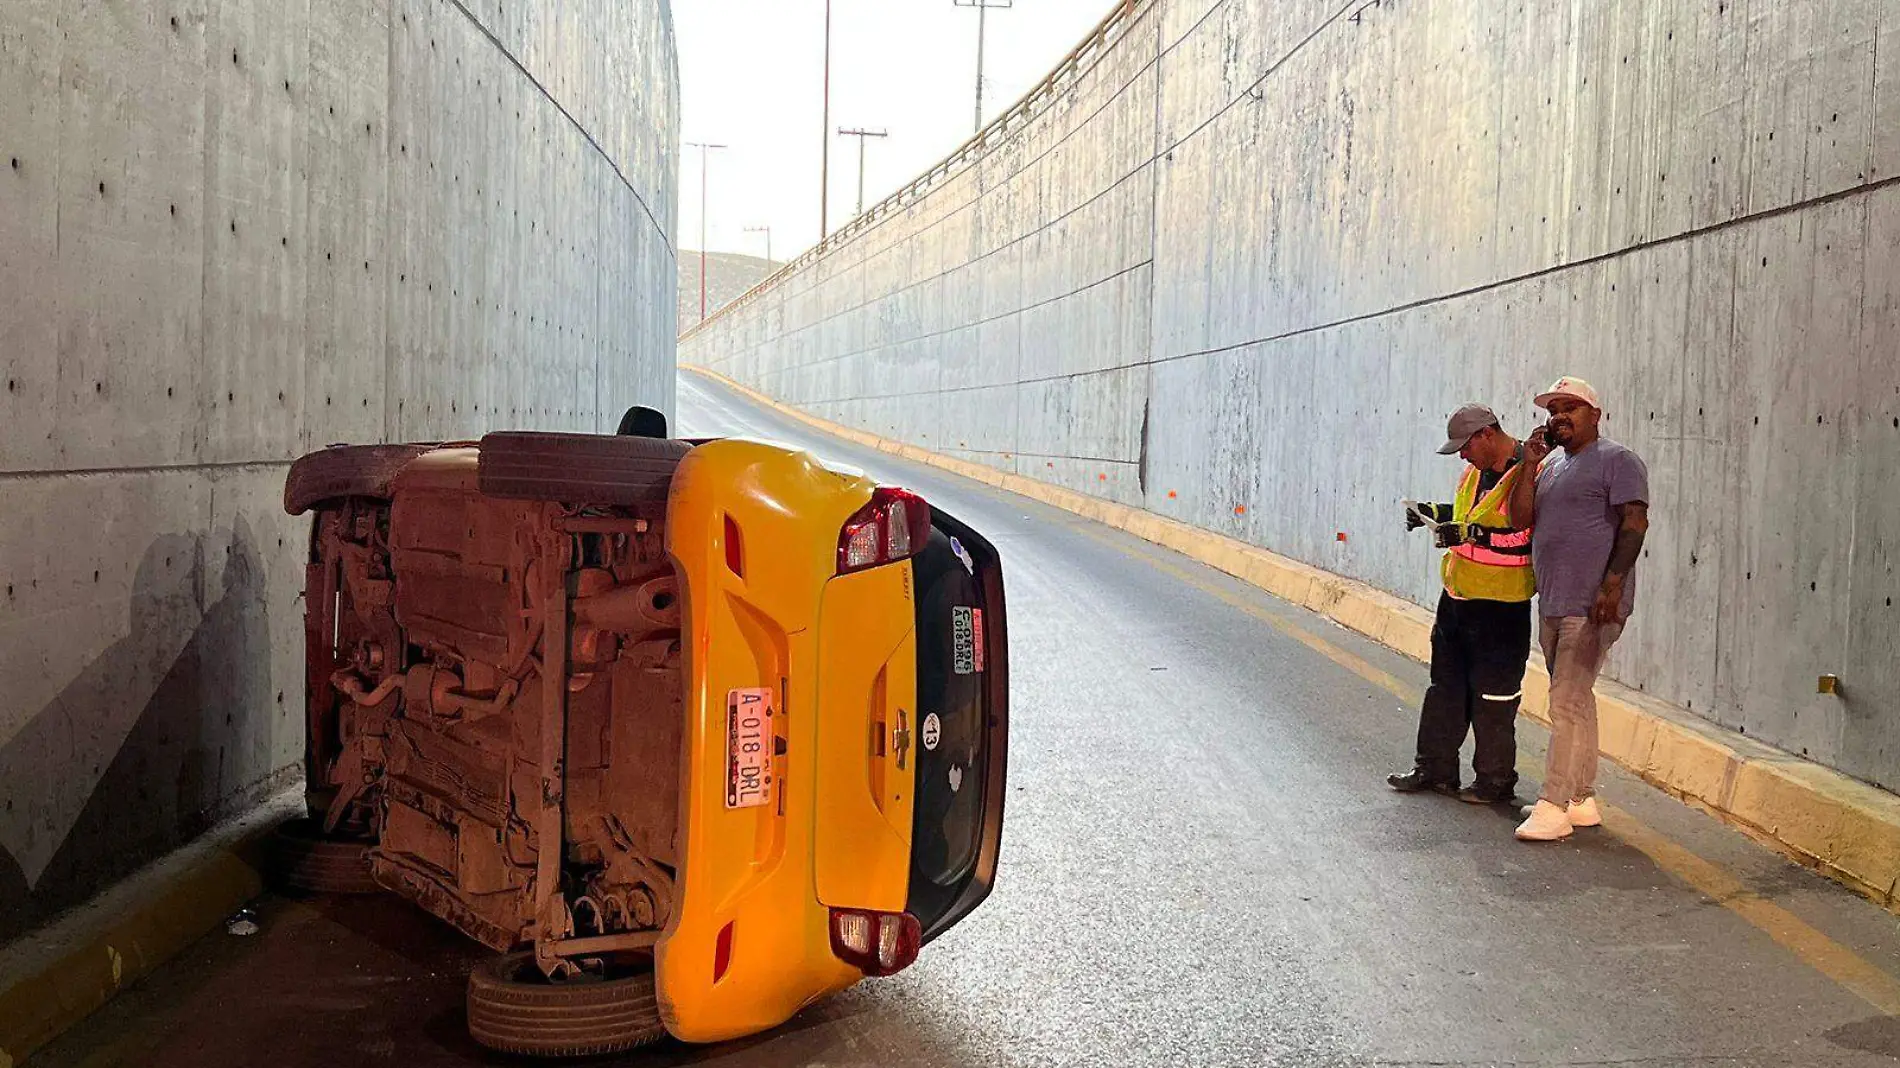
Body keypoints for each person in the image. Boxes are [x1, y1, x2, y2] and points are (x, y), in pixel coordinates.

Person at [1508, 376, 1650, 842]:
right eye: (1554, 410)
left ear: (1595, 414)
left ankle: (1553, 805)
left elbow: (1634, 523)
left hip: (1591, 605)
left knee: (1564, 705)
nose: (1559, 416)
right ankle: (1581, 798)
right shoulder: (1549, 466)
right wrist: (1529, 465)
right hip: (1554, 599)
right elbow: (1521, 519)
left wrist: (1611, 587)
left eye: (1571, 408)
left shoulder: (1618, 460)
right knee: (1577, 700)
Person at [1386, 404, 1536, 805]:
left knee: (1493, 697)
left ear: (1486, 434)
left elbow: (1525, 538)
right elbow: (1471, 517)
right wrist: (1434, 515)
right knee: (1445, 688)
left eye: (1465, 447)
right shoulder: (1473, 471)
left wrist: (1471, 535)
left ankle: (1494, 782)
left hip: (1501, 607)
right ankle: (1435, 770)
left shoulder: (1529, 473)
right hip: (1457, 599)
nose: (1462, 456)